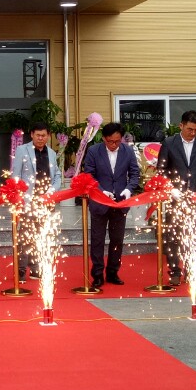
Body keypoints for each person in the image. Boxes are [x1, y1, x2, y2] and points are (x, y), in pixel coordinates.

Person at [155, 110, 196, 286]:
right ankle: (175, 270)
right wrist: (171, 188)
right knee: (173, 235)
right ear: (181, 126)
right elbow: (162, 169)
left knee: (194, 235)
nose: (193, 133)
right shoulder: (169, 143)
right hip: (175, 197)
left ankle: (191, 269)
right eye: (190, 129)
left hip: (195, 197)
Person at [81, 122, 141, 290]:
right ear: (104, 139)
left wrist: (129, 189)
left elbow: (135, 173)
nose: (114, 145)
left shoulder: (128, 151)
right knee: (97, 239)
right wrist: (101, 191)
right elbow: (89, 174)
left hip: (120, 202)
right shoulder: (94, 151)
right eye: (110, 141)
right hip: (100, 202)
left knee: (117, 240)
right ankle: (97, 274)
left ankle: (113, 272)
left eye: (117, 141)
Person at [11, 121, 63, 279]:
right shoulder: (22, 150)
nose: (41, 138)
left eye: (44, 135)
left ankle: (35, 267)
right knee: (25, 235)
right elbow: (16, 174)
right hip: (28, 199)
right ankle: (20, 269)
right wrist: (19, 196)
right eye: (38, 135)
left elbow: (57, 175)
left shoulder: (52, 153)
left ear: (48, 136)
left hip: (46, 200)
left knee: (41, 235)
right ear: (32, 135)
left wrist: (52, 190)